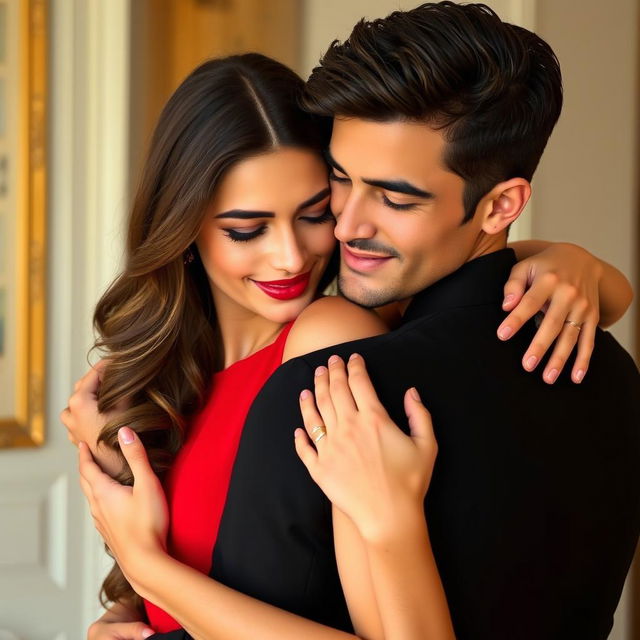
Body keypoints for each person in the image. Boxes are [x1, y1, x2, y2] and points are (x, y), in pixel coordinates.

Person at [64, 7, 636, 638]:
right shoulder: (154, 382)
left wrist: (147, 570)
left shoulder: (336, 345)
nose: (338, 230)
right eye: (247, 228)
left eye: (314, 211)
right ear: (182, 229)